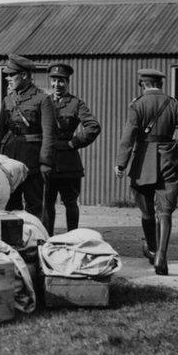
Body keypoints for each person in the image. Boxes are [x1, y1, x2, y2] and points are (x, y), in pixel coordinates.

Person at [115, 68, 178, 275]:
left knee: (147, 211)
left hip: (143, 162)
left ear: (143, 84)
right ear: (160, 84)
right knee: (165, 211)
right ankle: (161, 256)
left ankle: (151, 248)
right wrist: (176, 150)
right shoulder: (173, 103)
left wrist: (121, 163)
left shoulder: (137, 104)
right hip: (169, 159)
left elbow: (129, 135)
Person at [0, 54, 55, 219]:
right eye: (7, 75)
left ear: (24, 75)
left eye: (12, 75)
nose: (8, 78)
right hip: (10, 160)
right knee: (11, 203)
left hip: (32, 160)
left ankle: (38, 240)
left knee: (35, 204)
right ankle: (14, 241)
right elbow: (0, 132)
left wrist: (45, 162)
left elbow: (48, 135)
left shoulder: (42, 99)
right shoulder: (8, 99)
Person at [44, 63, 101, 235]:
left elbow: (93, 126)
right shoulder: (44, 102)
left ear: (67, 82)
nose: (57, 85)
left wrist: (74, 142)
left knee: (70, 203)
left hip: (69, 162)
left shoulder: (76, 103)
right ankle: (47, 239)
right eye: (54, 80)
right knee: (46, 203)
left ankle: (72, 237)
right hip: (47, 158)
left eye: (61, 81)